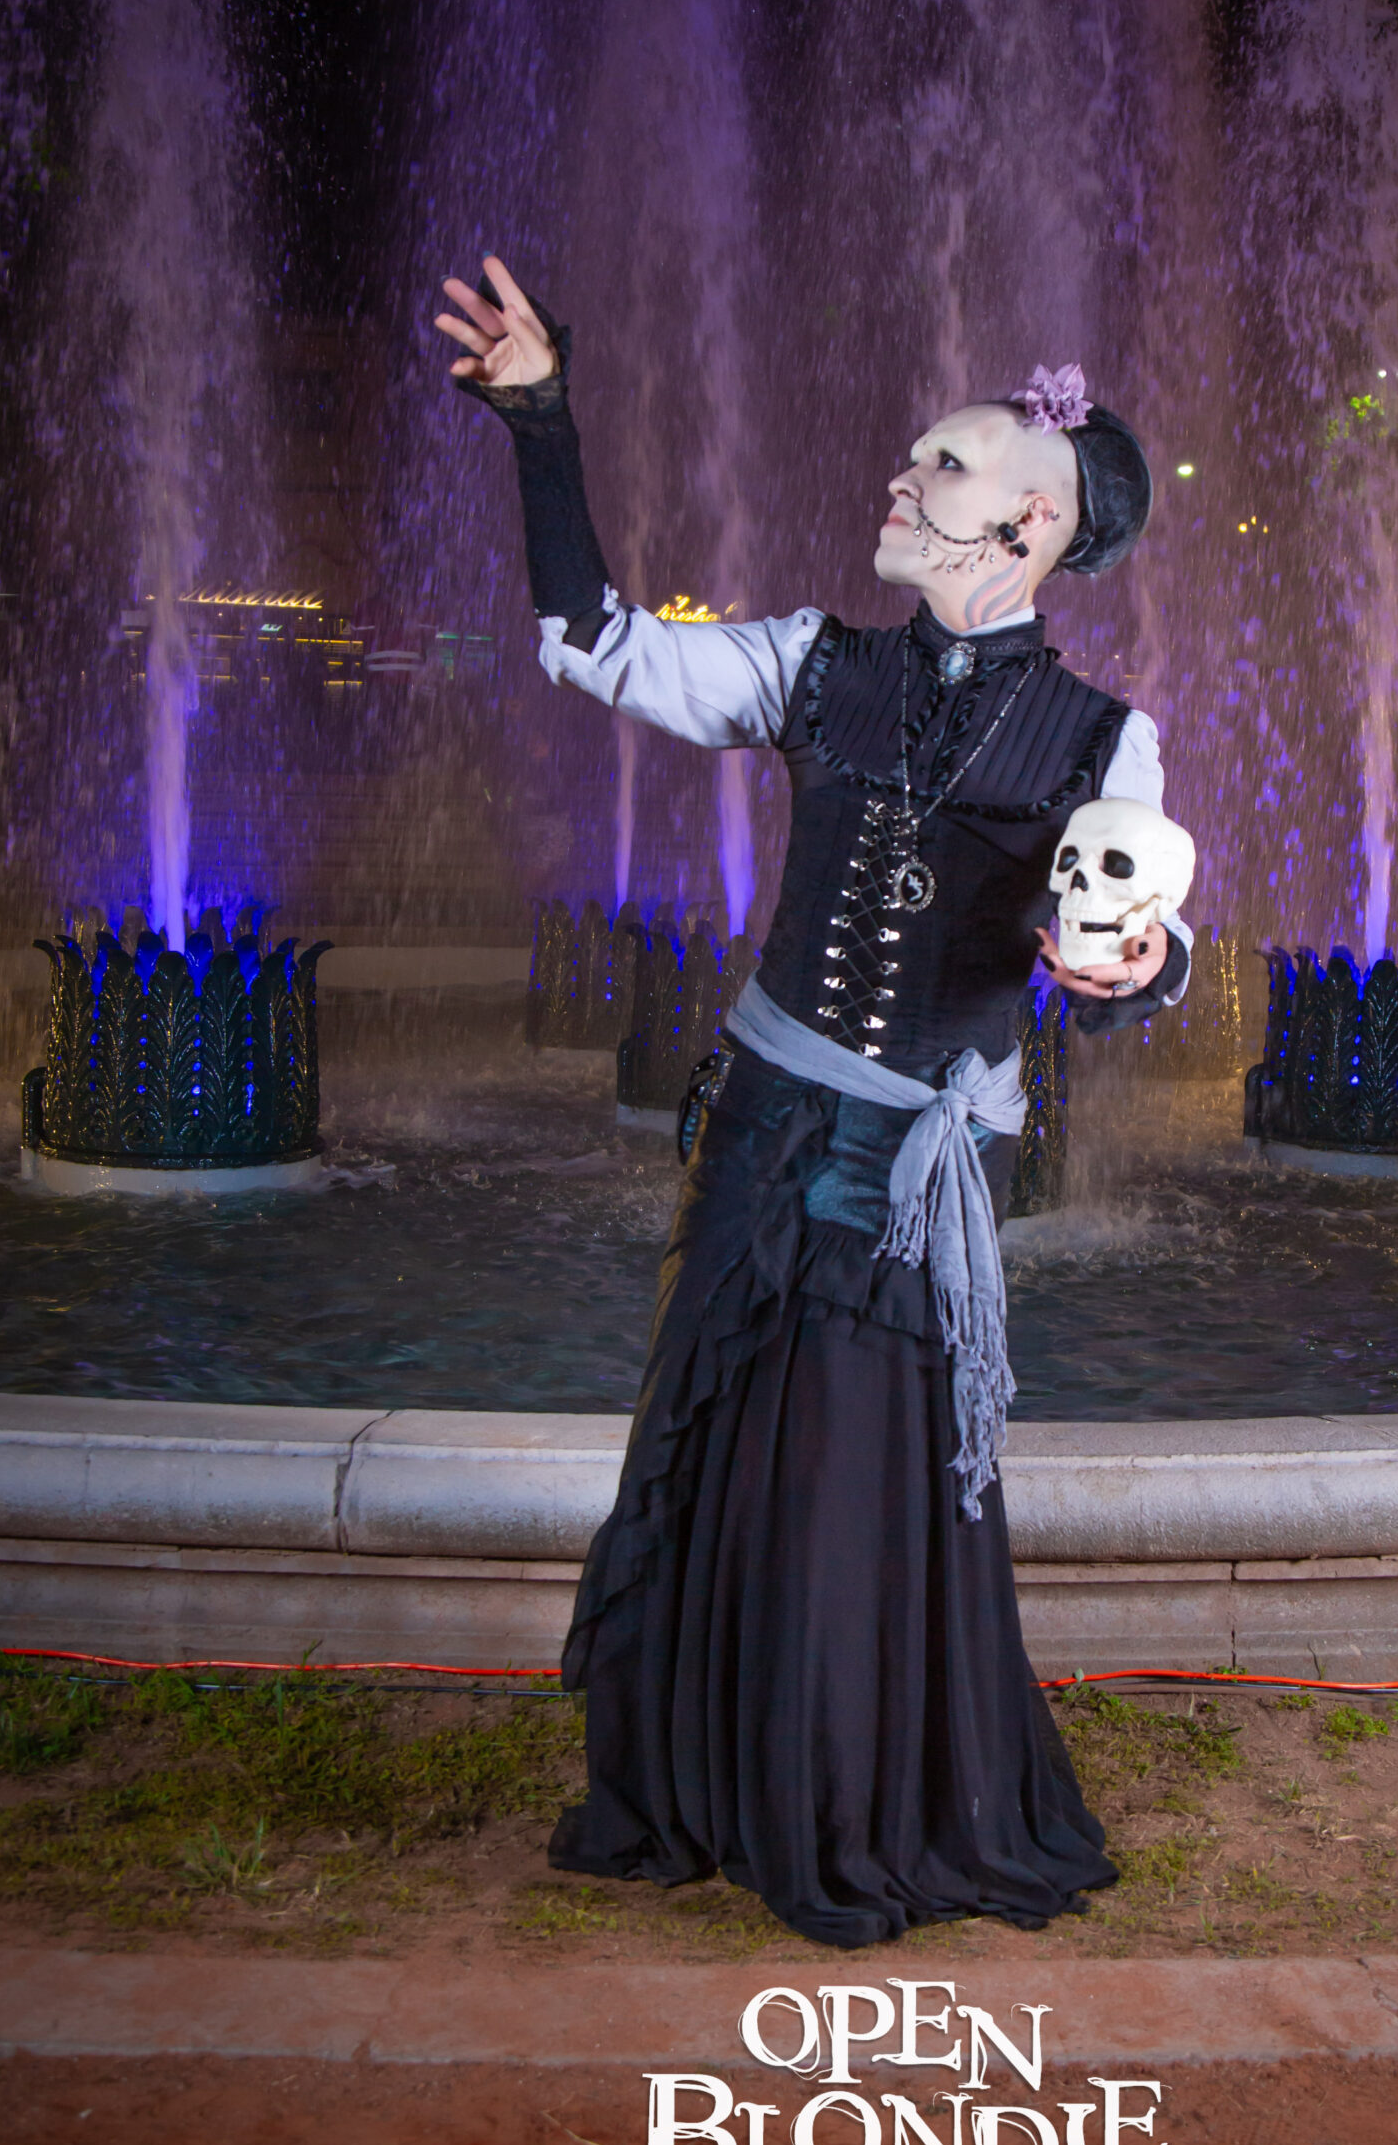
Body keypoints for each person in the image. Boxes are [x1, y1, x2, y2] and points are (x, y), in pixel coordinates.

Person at [435, 256, 1191, 1948]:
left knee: (854, 1474)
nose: (901, 478)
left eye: (942, 463)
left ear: (1030, 526)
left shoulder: (1102, 740)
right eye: (915, 455)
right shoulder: (812, 663)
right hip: (763, 1127)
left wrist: (1135, 965)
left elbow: (1142, 930)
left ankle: (847, 1805)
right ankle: (703, 1789)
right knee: (718, 1450)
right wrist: (541, 422)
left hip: (904, 1167)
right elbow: (594, 646)